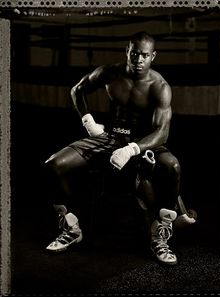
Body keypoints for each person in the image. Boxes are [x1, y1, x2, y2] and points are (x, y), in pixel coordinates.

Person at [44, 31, 183, 265]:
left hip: (144, 141)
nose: (139, 59)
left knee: (173, 167)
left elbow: (162, 132)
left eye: (145, 55)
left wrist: (132, 150)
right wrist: (88, 122)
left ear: (153, 56)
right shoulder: (110, 73)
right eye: (135, 53)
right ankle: (71, 228)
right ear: (127, 51)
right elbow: (77, 90)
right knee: (54, 164)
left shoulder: (160, 86)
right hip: (110, 137)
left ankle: (160, 235)